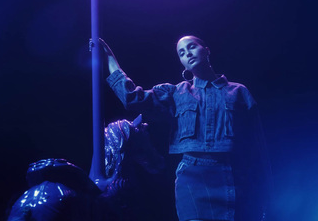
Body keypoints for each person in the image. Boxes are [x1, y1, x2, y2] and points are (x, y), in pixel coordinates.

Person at [99, 36, 271, 221]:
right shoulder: (176, 93)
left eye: (192, 47)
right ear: (182, 63)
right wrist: (109, 57)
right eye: (182, 52)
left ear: (206, 50)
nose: (188, 53)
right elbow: (132, 98)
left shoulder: (238, 92)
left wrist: (265, 193)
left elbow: (257, 146)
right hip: (193, 178)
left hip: (233, 177)